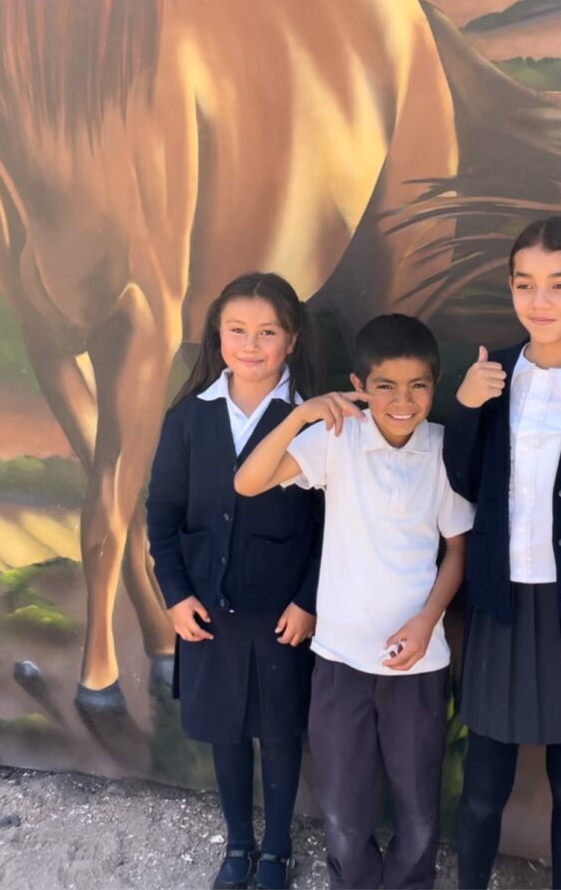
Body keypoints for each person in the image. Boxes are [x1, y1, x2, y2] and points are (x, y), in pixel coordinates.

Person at [235, 314, 474, 890]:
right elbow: (248, 482)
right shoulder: (336, 439)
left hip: (417, 664)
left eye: (418, 385)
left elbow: (458, 552)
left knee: (418, 810)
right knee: (343, 809)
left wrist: (425, 622)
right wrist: (300, 414)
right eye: (385, 385)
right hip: (340, 659)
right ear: (358, 385)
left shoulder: (444, 449)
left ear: (435, 386)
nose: (403, 400)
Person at [443, 216, 561, 890]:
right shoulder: (492, 379)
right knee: (483, 782)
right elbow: (459, 483)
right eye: (524, 284)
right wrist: (463, 409)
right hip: (499, 606)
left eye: (559, 284)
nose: (539, 301)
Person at [146, 273, 323, 890]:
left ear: (292, 339)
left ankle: (276, 849)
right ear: (217, 336)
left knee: (278, 731)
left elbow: (334, 523)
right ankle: (239, 845)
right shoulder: (189, 417)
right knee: (225, 728)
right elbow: (161, 511)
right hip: (206, 611)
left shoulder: (310, 418)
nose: (251, 345)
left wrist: (308, 599)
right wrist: (174, 594)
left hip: (282, 614)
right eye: (237, 331)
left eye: (267, 332)